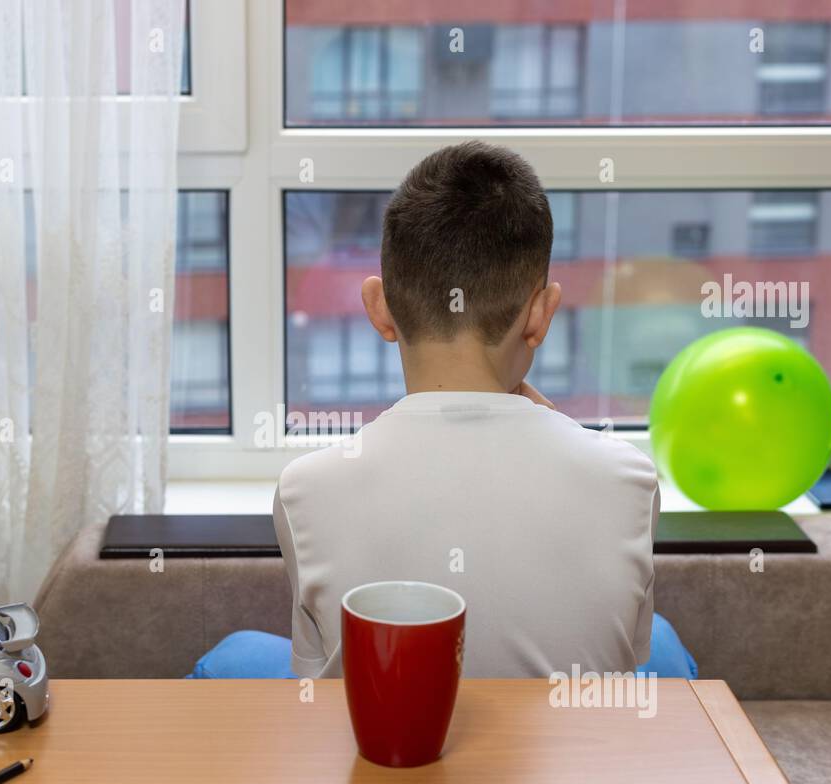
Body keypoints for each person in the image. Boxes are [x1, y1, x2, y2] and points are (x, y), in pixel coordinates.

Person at [189, 141, 696, 681]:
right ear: (541, 315)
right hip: (570, 754)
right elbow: (628, 656)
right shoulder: (629, 478)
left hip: (394, 744)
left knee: (233, 657)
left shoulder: (304, 489)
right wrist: (567, 434)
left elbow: (315, 676)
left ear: (379, 309)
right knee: (660, 643)